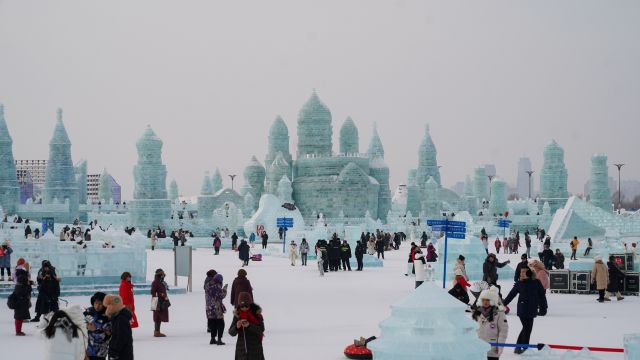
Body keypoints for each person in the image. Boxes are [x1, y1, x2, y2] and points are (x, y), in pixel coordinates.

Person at [503, 268, 548, 355]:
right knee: (527, 328)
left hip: (532, 309)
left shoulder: (536, 282)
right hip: (522, 309)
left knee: (527, 328)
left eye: (523, 272)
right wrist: (503, 304)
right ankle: (524, 347)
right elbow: (511, 295)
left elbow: (542, 295)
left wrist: (544, 307)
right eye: (521, 273)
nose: (521, 274)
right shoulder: (519, 283)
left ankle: (519, 347)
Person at [472, 287, 508, 360]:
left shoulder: (499, 313)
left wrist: (500, 346)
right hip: (478, 348)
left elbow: (503, 331)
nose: (485, 302)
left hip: (492, 350)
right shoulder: (477, 313)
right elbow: (471, 328)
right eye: (483, 300)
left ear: (492, 301)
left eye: (488, 300)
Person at [228, 292, 265, 360]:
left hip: (255, 349)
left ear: (250, 304)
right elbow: (231, 332)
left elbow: (261, 329)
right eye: (242, 306)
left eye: (246, 306)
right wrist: (236, 327)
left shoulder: (256, 314)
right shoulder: (237, 315)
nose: (244, 308)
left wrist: (249, 325)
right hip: (241, 350)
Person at [104, 295, 134, 360]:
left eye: (108, 306)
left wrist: (114, 353)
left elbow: (121, 338)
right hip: (123, 353)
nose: (107, 309)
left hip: (121, 354)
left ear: (113, 306)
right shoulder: (119, 316)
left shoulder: (120, 319)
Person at [84, 292, 111, 360]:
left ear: (104, 304)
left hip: (100, 352)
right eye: (96, 303)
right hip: (86, 350)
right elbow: (79, 324)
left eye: (100, 304)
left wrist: (96, 329)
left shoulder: (108, 315)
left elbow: (109, 334)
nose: (97, 306)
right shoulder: (88, 311)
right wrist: (86, 326)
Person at [8, 261, 31, 336]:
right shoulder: (21, 284)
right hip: (20, 303)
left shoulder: (19, 283)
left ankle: (19, 331)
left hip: (21, 302)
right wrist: (28, 286)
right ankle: (18, 331)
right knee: (18, 318)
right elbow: (25, 291)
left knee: (19, 317)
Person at [206, 274, 228, 345]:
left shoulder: (208, 285)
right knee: (221, 323)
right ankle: (219, 339)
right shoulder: (217, 287)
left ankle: (212, 339)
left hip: (209, 307)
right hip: (217, 308)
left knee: (213, 323)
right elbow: (221, 296)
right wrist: (224, 289)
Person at [151, 268, 170, 337]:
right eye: (162, 274)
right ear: (159, 275)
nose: (163, 275)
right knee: (157, 317)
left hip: (160, 300)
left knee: (159, 316)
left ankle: (157, 331)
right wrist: (160, 295)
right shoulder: (155, 282)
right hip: (156, 300)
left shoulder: (161, 282)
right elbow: (153, 292)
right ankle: (156, 332)